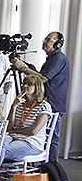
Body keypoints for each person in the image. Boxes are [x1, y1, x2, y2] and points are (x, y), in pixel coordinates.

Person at [11, 31, 70, 161]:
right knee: (49, 136)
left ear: (58, 44)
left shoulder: (59, 58)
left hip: (53, 103)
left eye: (48, 39)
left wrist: (24, 68)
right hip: (49, 101)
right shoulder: (53, 59)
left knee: (51, 138)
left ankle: (51, 170)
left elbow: (42, 78)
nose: (44, 41)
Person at [1, 75, 53, 162]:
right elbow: (9, 127)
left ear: (37, 88)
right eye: (24, 84)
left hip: (31, 142)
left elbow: (33, 131)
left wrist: (14, 131)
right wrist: (13, 107)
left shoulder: (44, 106)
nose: (25, 86)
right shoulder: (20, 104)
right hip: (13, 137)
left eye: (29, 84)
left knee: (0, 151)